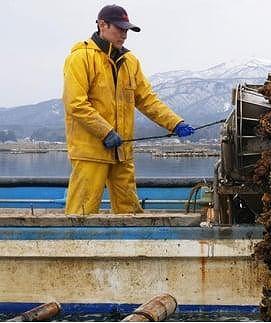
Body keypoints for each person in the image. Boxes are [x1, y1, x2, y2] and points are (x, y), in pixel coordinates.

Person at [62, 4, 194, 215]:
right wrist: (105, 131)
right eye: (120, 29)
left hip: (121, 152)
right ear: (102, 25)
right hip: (91, 152)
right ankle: (72, 245)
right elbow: (75, 104)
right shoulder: (80, 58)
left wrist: (175, 122)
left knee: (129, 210)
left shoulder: (130, 61)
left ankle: (129, 246)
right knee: (82, 211)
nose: (124, 34)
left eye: (126, 30)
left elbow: (147, 100)